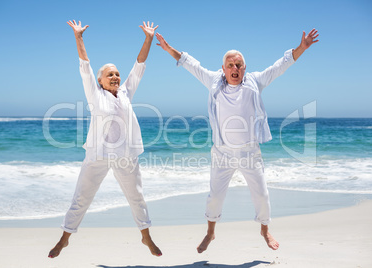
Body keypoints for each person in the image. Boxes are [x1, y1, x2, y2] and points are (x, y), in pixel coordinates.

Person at [156, 29, 319, 252]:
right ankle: (210, 233)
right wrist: (168, 49)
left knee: (261, 194)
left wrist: (302, 47)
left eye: (239, 65)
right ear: (223, 68)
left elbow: (279, 66)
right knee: (215, 197)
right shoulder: (213, 81)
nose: (235, 68)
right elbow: (190, 64)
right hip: (222, 152)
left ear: (245, 68)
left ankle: (265, 230)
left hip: (249, 152)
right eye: (230, 65)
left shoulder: (255, 81)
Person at [48, 20, 162, 258]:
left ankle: (146, 237)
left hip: (125, 157)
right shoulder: (95, 94)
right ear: (100, 80)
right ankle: (64, 238)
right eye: (110, 74)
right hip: (97, 156)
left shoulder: (126, 93)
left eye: (117, 74)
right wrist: (79, 37)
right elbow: (85, 66)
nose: (116, 77)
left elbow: (139, 66)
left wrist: (148, 38)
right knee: (81, 198)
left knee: (136, 197)